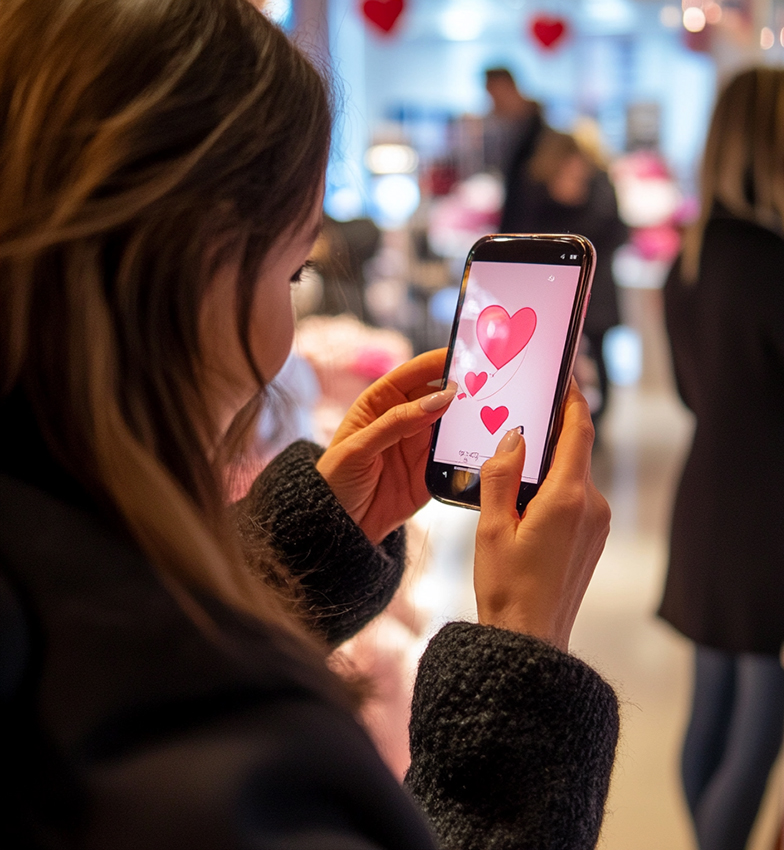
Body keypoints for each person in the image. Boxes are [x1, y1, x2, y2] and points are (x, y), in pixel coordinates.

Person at [0, 2, 619, 848]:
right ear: (184, 275)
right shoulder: (172, 756)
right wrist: (519, 657)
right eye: (292, 272)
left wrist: (308, 547)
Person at [659, 66, 784, 850]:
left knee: (713, 709)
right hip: (769, 508)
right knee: (758, 727)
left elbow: (695, 393)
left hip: (709, 496)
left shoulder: (693, 256)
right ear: (782, 146)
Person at [512, 130, 629, 422]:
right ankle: (557, 420)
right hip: (553, 287)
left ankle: (595, 424)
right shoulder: (536, 189)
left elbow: (617, 232)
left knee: (598, 355)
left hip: (595, 286)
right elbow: (528, 237)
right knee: (555, 356)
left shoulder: (599, 184)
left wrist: (579, 203)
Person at [481, 67, 547, 233]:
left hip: (532, 229)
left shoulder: (538, 135)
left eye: (493, 95)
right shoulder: (516, 129)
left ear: (507, 88)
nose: (492, 104)